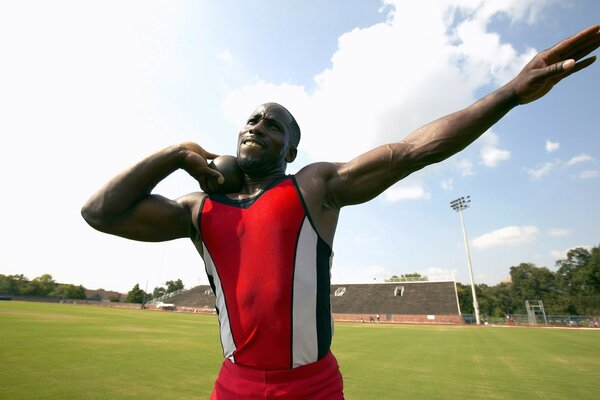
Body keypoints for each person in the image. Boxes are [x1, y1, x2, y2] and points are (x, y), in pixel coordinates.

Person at [81, 26, 600, 399]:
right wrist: (175, 154)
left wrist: (511, 92)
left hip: (311, 387)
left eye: (273, 125)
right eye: (251, 119)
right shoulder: (198, 208)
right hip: (233, 384)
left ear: (290, 150)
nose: (257, 125)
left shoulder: (315, 187)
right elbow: (100, 212)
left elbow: (415, 149)